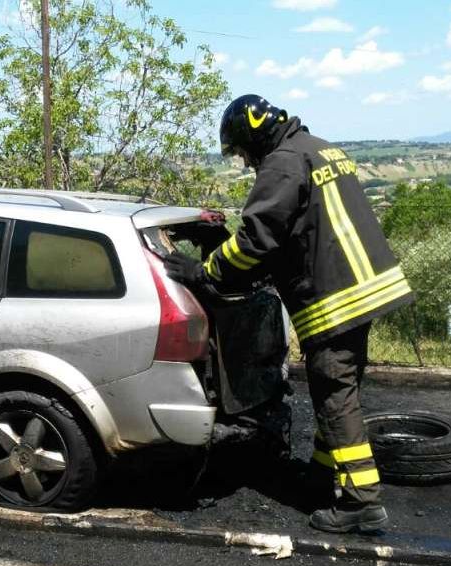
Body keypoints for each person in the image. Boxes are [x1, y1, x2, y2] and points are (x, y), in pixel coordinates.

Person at [163, 94, 414, 533]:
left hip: (334, 299)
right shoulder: (318, 148)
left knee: (335, 396)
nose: (243, 161)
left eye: (242, 151)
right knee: (335, 392)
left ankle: (362, 502)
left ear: (254, 137)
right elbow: (296, 227)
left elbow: (257, 243)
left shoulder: (281, 163)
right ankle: (321, 475)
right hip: (366, 290)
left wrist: (204, 272)